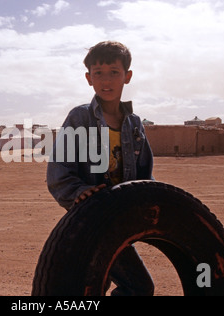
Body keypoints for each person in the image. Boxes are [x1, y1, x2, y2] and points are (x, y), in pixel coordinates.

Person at [46, 41, 155, 296]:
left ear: (127, 76)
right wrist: (79, 191)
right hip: (91, 219)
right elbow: (59, 171)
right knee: (138, 287)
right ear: (88, 78)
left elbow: (145, 175)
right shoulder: (79, 118)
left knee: (92, 286)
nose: (106, 81)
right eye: (98, 73)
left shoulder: (135, 124)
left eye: (114, 72)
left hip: (119, 220)